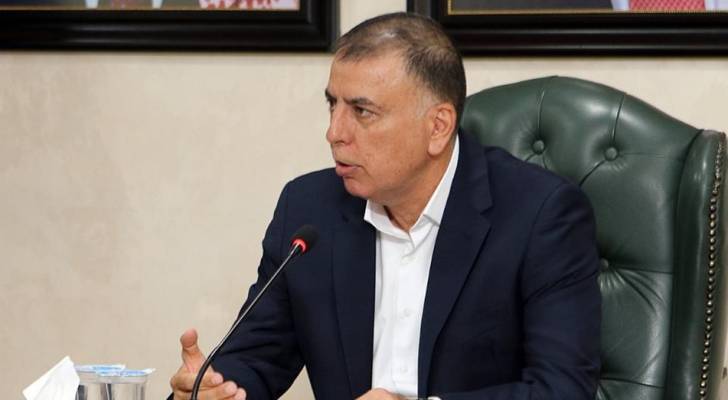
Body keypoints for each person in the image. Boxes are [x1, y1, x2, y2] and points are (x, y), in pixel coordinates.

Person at [169, 12, 601, 400]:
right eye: (333, 104)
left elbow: (562, 390)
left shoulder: (540, 215)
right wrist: (214, 389)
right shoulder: (308, 210)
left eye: (362, 111)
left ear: (438, 126)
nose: (334, 133)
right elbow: (257, 357)